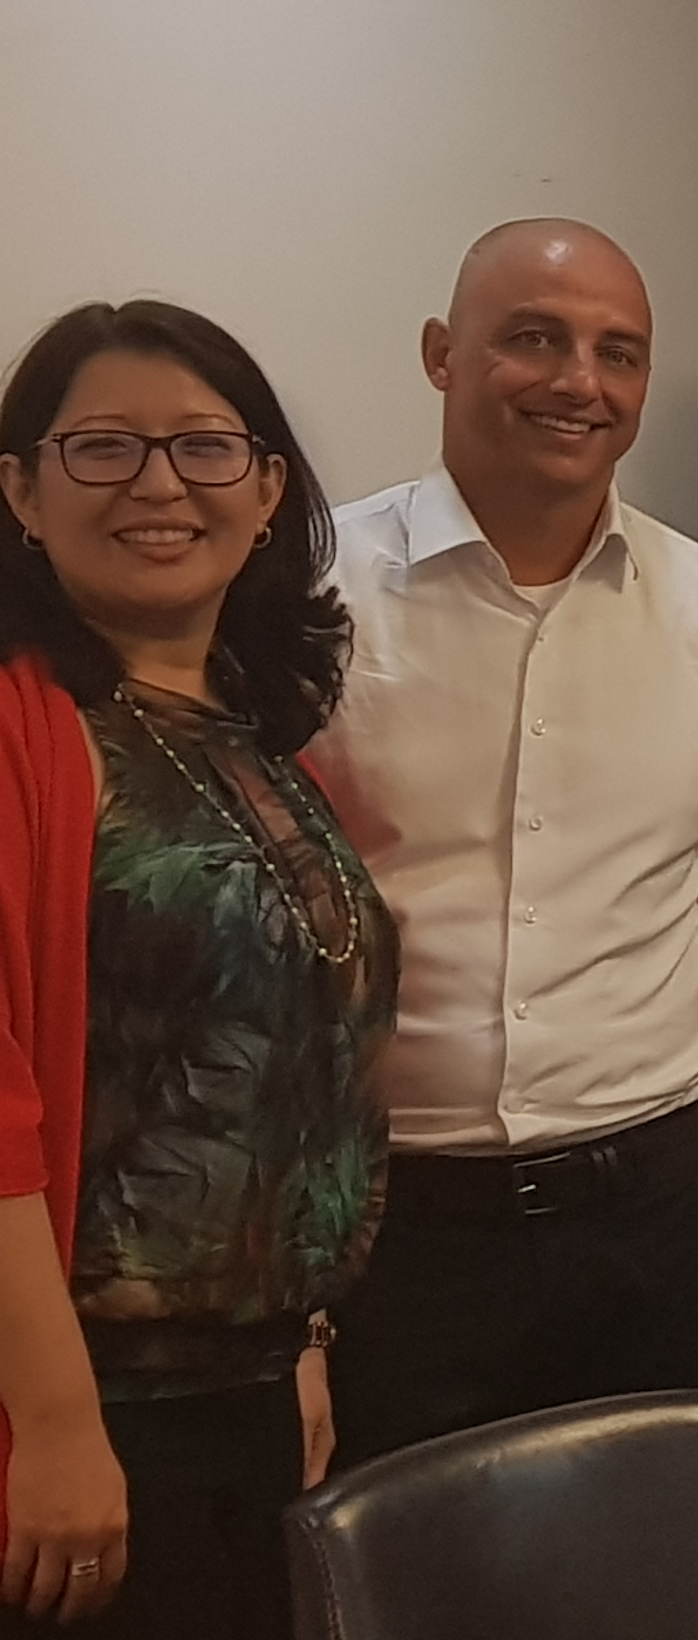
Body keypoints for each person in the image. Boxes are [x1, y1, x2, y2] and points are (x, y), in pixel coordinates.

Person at [307, 220, 698, 1464]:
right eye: (534, 338)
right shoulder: (308, 591)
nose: (580, 381)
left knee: (653, 1552)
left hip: (654, 1214)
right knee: (397, 1555)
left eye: (618, 353)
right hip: (394, 1225)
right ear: (440, 353)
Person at [0, 303, 392, 1638]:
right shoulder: (26, 727)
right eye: (104, 446)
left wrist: (304, 1340)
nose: (160, 484)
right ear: (23, 492)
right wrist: (52, 1424)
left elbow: (299, 1066)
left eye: (204, 446)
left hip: (257, 1387)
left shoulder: (251, 731)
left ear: (268, 489)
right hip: (91, 1410)